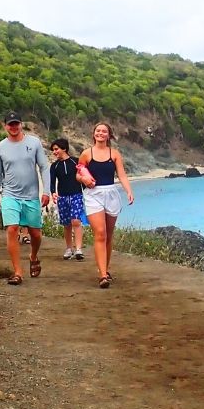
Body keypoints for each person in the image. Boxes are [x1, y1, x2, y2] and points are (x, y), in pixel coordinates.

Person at [0, 112, 50, 285]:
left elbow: (44, 167)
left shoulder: (34, 142)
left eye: (16, 124)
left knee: (35, 234)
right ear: (5, 126)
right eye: (10, 124)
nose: (14, 127)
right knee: (12, 229)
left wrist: (47, 191)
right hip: (9, 195)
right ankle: (17, 272)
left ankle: (33, 255)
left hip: (31, 196)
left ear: (21, 124)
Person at [78, 122, 134, 288]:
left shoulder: (114, 154)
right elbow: (78, 174)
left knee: (109, 235)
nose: (100, 133)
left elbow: (122, 175)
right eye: (98, 131)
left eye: (104, 131)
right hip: (93, 195)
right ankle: (102, 275)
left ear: (109, 135)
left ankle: (106, 269)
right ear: (93, 134)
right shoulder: (86, 154)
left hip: (111, 194)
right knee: (100, 233)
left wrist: (129, 191)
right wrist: (84, 179)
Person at [49, 137, 85, 261]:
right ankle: (69, 248)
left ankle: (79, 249)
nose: (54, 152)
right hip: (62, 197)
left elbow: (84, 175)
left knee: (76, 221)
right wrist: (53, 192)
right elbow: (52, 182)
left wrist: (85, 189)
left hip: (76, 194)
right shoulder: (54, 166)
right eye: (53, 150)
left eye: (56, 149)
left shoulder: (76, 161)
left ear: (64, 148)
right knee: (66, 224)